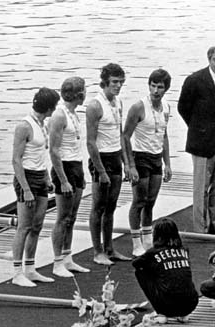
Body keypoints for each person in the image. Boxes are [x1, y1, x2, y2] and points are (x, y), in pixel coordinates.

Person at [178, 44, 215, 235]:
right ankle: (200, 227)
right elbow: (183, 108)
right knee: (201, 187)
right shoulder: (195, 80)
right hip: (202, 140)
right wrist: (199, 128)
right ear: (209, 59)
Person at [11, 87, 60, 287]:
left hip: (40, 176)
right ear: (48, 107)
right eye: (54, 107)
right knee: (23, 227)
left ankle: (30, 269)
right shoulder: (24, 126)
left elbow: (41, 154)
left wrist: (47, 177)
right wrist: (26, 189)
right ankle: (17, 272)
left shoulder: (44, 124)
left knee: (37, 226)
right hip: (27, 178)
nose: (55, 110)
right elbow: (16, 160)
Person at [123, 69, 173, 257]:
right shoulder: (138, 107)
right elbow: (125, 136)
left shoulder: (166, 107)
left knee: (151, 201)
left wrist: (167, 163)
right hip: (140, 156)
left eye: (160, 87)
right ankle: (136, 242)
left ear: (166, 89)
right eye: (153, 86)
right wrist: (130, 166)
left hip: (156, 157)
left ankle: (147, 238)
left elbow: (164, 135)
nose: (156, 91)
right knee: (139, 201)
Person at [86, 63, 130, 265]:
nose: (118, 86)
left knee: (111, 206)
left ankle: (110, 248)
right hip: (101, 159)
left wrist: (127, 163)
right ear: (105, 82)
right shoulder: (95, 106)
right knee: (98, 207)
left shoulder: (118, 102)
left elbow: (120, 135)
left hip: (115, 157)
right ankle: (97, 251)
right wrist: (101, 170)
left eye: (121, 82)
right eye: (114, 82)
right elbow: (90, 142)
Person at [48, 77, 90, 277]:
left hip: (76, 164)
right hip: (63, 167)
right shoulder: (59, 115)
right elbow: (54, 151)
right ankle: (57, 262)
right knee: (62, 218)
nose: (85, 95)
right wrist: (63, 180)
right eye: (84, 91)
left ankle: (67, 257)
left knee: (72, 217)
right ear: (78, 94)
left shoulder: (74, 114)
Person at [132, 217, 199, 325]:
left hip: (166, 305)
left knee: (141, 271)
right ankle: (183, 314)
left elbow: (135, 263)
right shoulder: (184, 249)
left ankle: (161, 313)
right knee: (178, 273)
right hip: (191, 303)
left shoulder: (153, 253)